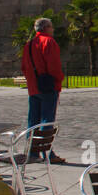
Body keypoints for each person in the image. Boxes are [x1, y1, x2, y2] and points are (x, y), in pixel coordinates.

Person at [20, 18, 65, 164]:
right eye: (51, 27)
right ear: (46, 28)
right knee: (47, 120)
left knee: (33, 120)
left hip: (33, 87)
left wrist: (31, 81)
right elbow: (54, 65)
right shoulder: (49, 42)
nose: (53, 29)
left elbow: (24, 67)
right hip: (48, 86)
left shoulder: (29, 45)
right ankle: (47, 153)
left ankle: (33, 151)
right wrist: (58, 79)